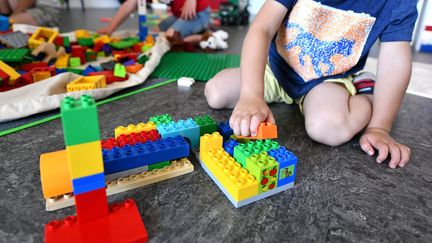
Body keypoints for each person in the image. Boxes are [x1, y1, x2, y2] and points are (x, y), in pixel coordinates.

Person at [204, 0, 417, 169]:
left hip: (327, 79)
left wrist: (379, 126)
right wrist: (251, 94)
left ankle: (365, 91)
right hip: (278, 69)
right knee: (216, 92)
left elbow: (395, 61)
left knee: (328, 129)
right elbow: (262, 28)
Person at [98, 0, 210, 43]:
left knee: (170, 36)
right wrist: (110, 29)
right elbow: (131, 3)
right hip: (179, 15)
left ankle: (204, 37)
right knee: (155, 33)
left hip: (198, 14)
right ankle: (187, 34)